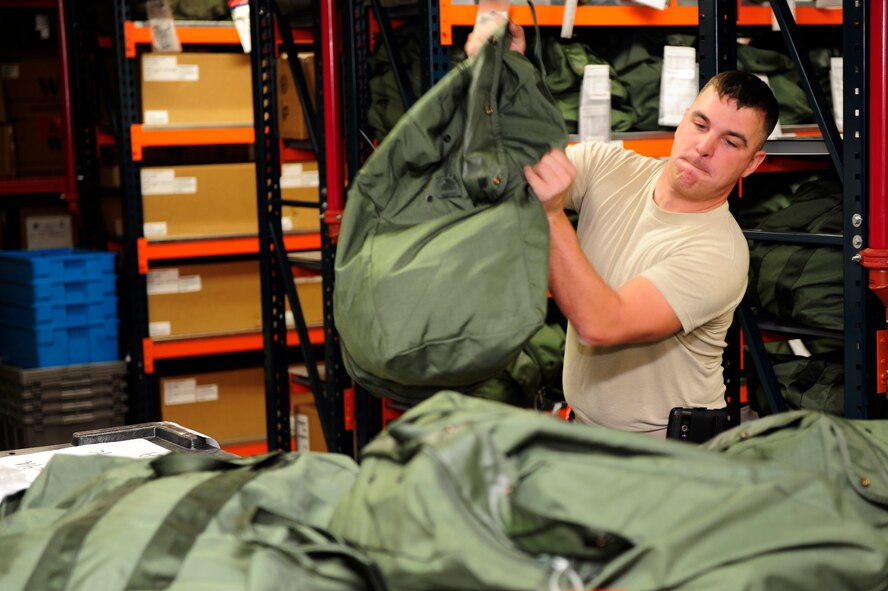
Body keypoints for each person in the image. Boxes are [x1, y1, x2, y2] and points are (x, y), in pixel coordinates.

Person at [467, 23, 780, 435]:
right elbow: (523, 168)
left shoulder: (719, 252)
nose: (704, 147)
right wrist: (503, 74)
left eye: (730, 142)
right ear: (683, 119)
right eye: (701, 124)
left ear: (753, 163)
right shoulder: (611, 167)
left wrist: (550, 214)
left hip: (664, 454)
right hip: (585, 432)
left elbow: (603, 325)